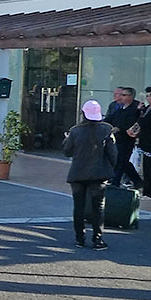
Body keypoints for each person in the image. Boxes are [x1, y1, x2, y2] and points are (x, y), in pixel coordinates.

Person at [62, 100, 116, 250]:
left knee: (78, 206)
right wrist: (111, 168)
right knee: (98, 207)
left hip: (78, 173)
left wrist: (66, 139)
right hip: (99, 173)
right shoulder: (106, 129)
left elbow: (67, 151)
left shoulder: (75, 130)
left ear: (83, 113)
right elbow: (112, 153)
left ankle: (80, 238)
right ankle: (98, 239)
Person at [104, 86, 142, 189]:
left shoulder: (135, 109)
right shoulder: (120, 109)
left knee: (121, 161)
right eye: (121, 95)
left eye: (124, 95)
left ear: (131, 96)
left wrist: (120, 128)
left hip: (127, 140)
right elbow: (110, 118)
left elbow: (133, 123)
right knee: (123, 162)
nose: (121, 97)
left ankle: (115, 183)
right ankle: (137, 181)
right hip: (118, 139)